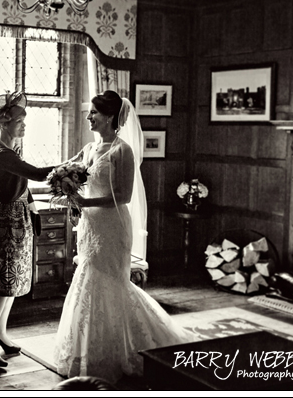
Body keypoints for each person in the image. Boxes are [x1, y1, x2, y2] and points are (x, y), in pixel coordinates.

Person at [53, 90, 195, 384]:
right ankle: (86, 350)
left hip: (113, 226)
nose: (89, 116)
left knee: (109, 282)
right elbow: (70, 176)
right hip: (91, 226)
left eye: (93, 112)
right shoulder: (90, 149)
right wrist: (68, 190)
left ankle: (124, 349)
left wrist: (84, 203)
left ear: (109, 117)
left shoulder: (122, 150)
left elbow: (123, 197)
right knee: (88, 279)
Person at [0, 91, 64, 367]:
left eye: (25, 121)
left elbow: (25, 187)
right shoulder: (2, 153)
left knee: (14, 281)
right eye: (19, 121)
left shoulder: (12, 149)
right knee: (4, 280)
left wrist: (34, 212)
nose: (24, 125)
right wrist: (72, 166)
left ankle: (0, 333)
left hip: (21, 217)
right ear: (4, 123)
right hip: (7, 221)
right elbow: (37, 174)